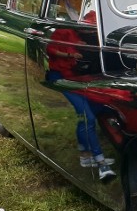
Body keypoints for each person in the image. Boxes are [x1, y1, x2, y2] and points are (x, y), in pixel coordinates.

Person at [46, 27, 116, 180]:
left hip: (74, 77)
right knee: (87, 117)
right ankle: (101, 162)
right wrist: (71, 54)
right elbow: (51, 49)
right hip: (60, 78)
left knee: (94, 108)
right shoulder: (62, 31)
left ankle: (85, 155)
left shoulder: (77, 36)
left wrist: (80, 44)